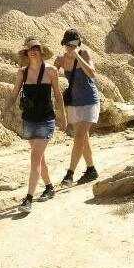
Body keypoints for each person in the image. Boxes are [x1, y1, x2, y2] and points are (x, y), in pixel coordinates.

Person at [2, 37, 67, 213]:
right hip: (29, 120)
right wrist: (5, 109)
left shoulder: (51, 71)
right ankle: (49, 187)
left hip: (46, 120)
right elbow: (14, 93)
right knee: (39, 158)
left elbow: (58, 95)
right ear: (26, 53)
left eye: (36, 48)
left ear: (41, 51)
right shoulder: (22, 73)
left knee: (34, 158)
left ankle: (28, 199)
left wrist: (63, 115)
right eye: (30, 49)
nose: (33, 51)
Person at [55, 29, 100, 187]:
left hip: (89, 100)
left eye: (74, 44)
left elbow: (92, 74)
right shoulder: (60, 59)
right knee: (83, 138)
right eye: (68, 45)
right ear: (64, 44)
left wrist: (78, 56)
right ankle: (91, 170)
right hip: (73, 102)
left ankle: (70, 174)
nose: (71, 47)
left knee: (80, 136)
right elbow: (52, 77)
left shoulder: (84, 53)